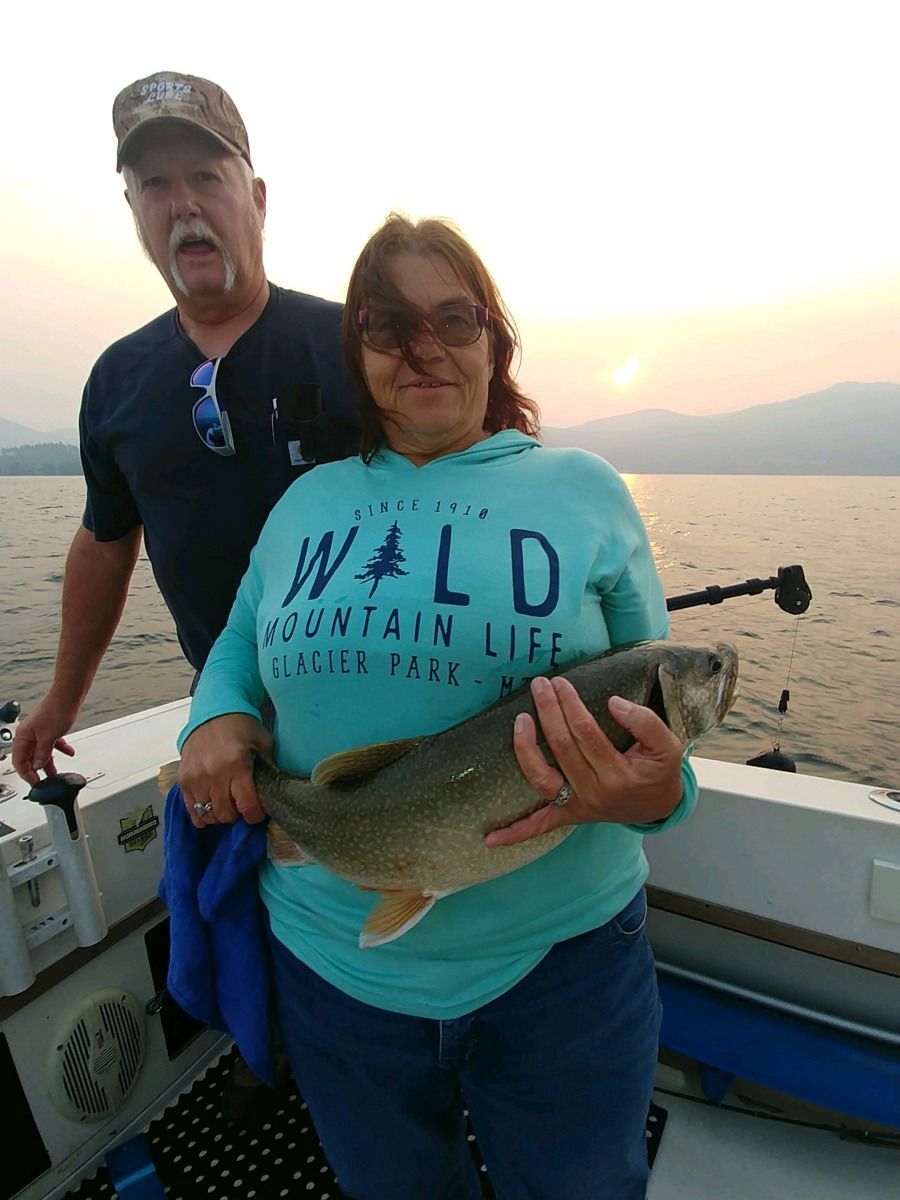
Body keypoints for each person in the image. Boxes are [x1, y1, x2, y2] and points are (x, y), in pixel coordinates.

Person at [176, 214, 696, 1200]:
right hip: (333, 969)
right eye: (388, 323)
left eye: (455, 319)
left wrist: (659, 793)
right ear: (357, 348)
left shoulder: (584, 489)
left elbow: (662, 715)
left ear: (496, 340)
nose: (424, 348)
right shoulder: (306, 505)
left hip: (564, 972)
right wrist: (214, 717)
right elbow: (240, 643)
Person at [12, 71, 358, 786]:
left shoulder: (357, 344)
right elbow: (106, 546)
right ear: (134, 209)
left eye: (206, 175)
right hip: (226, 724)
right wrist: (63, 697)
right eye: (156, 185)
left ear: (257, 198)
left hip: (379, 705)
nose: (184, 204)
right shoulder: (117, 382)